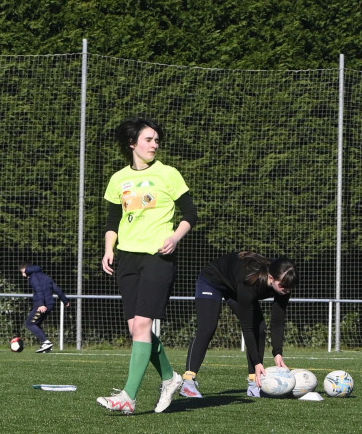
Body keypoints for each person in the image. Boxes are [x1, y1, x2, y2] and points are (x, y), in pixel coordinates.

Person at [98, 117, 198, 415]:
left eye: (156, 140)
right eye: (148, 140)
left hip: (158, 256)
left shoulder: (169, 174)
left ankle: (128, 396)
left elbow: (190, 213)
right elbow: (113, 221)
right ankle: (170, 378)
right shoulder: (118, 179)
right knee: (135, 329)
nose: (155, 144)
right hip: (127, 258)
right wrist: (108, 249)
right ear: (133, 144)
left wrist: (175, 238)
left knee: (142, 325)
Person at [179, 251, 298, 399]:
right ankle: (188, 382)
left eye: (289, 288)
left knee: (260, 328)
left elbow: (277, 322)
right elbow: (246, 327)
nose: (286, 290)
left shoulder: (285, 284)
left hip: (234, 287)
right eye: (283, 286)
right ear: (271, 278)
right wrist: (257, 362)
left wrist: (277, 353)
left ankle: (254, 384)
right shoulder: (251, 281)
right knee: (207, 328)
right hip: (212, 281)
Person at [19, 263, 70, 353]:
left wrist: (41, 304)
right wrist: (65, 300)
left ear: (27, 270)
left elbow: (39, 291)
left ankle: (46, 342)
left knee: (30, 323)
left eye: (23, 272)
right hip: (50, 304)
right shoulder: (45, 276)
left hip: (43, 304)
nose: (23, 275)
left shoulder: (33, 277)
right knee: (36, 323)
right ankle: (45, 345)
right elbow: (57, 288)